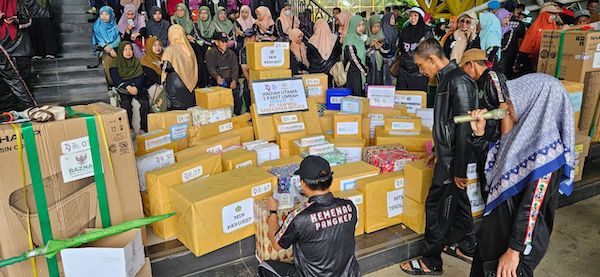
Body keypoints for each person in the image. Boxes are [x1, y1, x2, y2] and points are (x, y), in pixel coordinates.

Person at [468, 73, 575, 277]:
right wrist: (479, 136)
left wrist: (514, 250)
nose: (507, 108)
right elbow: (492, 169)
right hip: (494, 236)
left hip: (512, 251)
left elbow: (532, 205)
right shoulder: (520, 139)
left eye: (513, 101)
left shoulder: (547, 157)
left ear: (538, 104)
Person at [401, 38, 477, 275]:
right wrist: (437, 149)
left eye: (423, 66)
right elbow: (448, 124)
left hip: (453, 161)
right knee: (459, 202)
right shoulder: (446, 80)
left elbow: (465, 129)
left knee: (437, 208)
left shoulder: (459, 82)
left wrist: (458, 170)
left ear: (433, 59)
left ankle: (431, 261)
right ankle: (468, 246)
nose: (422, 72)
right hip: (447, 156)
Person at [257, 155, 361, 277]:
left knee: (264, 267)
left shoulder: (299, 217)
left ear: (303, 183)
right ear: (330, 180)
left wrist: (273, 212)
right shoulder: (349, 206)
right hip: (349, 274)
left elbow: (276, 244)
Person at [459, 48, 510, 190]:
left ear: (471, 64)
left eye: (464, 68)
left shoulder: (493, 77)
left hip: (496, 143)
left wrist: (504, 146)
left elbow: (505, 109)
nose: (464, 73)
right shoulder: (478, 83)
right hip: (484, 141)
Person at [110, 41, 149, 132]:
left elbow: (141, 76)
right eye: (125, 50)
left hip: (136, 86)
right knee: (126, 104)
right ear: (121, 51)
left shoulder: (136, 61)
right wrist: (128, 87)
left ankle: (144, 128)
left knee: (145, 102)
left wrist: (136, 87)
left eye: (130, 49)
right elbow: (116, 78)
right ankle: (129, 128)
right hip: (124, 87)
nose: (128, 52)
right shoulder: (116, 63)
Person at [514, 3, 561, 76]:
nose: (554, 17)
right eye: (551, 14)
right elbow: (526, 46)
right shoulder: (534, 28)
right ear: (544, 14)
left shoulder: (553, 26)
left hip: (549, 62)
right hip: (532, 63)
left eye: (555, 14)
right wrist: (518, 63)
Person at [162, 25, 198, 110]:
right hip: (190, 88)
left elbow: (164, 68)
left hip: (175, 88)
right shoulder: (189, 49)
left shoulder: (170, 50)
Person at [396, 7, 432, 91]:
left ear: (420, 17)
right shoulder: (405, 30)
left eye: (415, 15)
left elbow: (430, 51)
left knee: (417, 98)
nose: (412, 18)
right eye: (411, 16)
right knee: (403, 97)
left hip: (419, 71)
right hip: (404, 69)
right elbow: (401, 47)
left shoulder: (426, 31)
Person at [206, 32, 242, 114]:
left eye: (226, 42)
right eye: (222, 42)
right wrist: (217, 77)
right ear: (216, 42)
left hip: (230, 79)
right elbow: (210, 68)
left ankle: (237, 114)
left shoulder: (231, 53)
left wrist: (234, 80)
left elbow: (235, 67)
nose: (225, 44)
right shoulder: (210, 53)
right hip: (217, 80)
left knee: (238, 92)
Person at [307, 19, 340, 86]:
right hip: (331, 72)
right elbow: (338, 53)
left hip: (316, 73)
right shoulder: (335, 38)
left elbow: (309, 58)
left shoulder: (311, 41)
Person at [93, 6, 121, 86]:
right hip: (102, 49)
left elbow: (118, 39)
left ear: (111, 15)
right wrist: (109, 49)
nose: (104, 16)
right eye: (102, 14)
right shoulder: (97, 26)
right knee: (108, 60)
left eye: (106, 14)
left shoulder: (114, 24)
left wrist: (111, 47)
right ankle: (112, 84)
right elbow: (99, 40)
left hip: (115, 47)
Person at [343, 15, 367, 97]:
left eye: (363, 25)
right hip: (353, 73)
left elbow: (361, 54)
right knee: (355, 98)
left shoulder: (358, 38)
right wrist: (364, 70)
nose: (361, 27)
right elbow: (353, 57)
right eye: (358, 25)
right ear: (353, 25)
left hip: (358, 72)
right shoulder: (350, 38)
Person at [495, 9, 519, 79]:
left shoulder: (510, 31)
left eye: (508, 18)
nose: (507, 20)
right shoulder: (495, 29)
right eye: (505, 18)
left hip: (506, 60)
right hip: (498, 59)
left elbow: (505, 46)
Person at [366, 15, 389, 86]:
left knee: (378, 79)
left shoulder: (382, 37)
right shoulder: (365, 38)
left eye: (378, 26)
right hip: (369, 64)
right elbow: (363, 51)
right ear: (370, 27)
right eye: (374, 26)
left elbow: (387, 51)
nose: (376, 29)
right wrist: (370, 46)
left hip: (379, 63)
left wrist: (380, 48)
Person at [238, 28, 255, 113]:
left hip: (261, 77)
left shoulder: (260, 47)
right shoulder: (243, 51)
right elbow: (244, 69)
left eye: (251, 37)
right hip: (250, 77)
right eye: (247, 38)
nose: (249, 40)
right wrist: (249, 82)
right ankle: (250, 111)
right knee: (246, 90)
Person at [380, 10, 398, 85]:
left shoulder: (394, 30)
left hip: (393, 55)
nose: (393, 20)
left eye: (394, 18)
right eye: (392, 18)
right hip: (384, 57)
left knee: (390, 75)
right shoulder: (383, 31)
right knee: (385, 75)